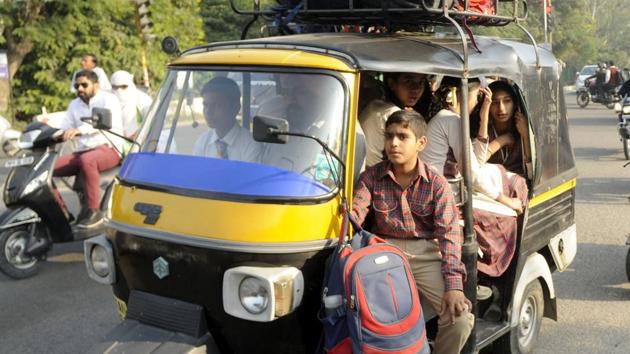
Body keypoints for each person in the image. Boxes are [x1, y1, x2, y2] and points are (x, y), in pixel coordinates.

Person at [352, 110, 474, 354]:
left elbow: (449, 236)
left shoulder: (436, 184)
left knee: (460, 320)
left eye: (402, 136)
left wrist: (454, 286)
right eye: (389, 137)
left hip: (426, 254)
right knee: (360, 314)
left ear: (421, 143)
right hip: (383, 254)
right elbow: (355, 214)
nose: (393, 143)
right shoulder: (371, 177)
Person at [422, 77, 523, 213]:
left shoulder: (448, 117)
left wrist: (484, 118)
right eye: (476, 97)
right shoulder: (452, 120)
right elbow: (473, 174)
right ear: (461, 96)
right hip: (440, 198)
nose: (476, 102)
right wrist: (507, 201)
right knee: (505, 215)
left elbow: (477, 162)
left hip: (442, 190)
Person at [55, 69, 124, 228]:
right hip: (81, 152)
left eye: (84, 85)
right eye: (77, 85)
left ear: (96, 85)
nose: (79, 89)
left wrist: (80, 130)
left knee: (88, 160)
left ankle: (95, 211)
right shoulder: (74, 104)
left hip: (108, 148)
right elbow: (65, 126)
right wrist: (52, 132)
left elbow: (101, 123)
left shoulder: (108, 99)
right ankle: (62, 214)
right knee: (47, 168)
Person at [359, 72, 432, 167]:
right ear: (392, 84)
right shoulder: (393, 115)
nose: (415, 88)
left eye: (421, 82)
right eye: (408, 81)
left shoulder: (375, 105)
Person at [192, 77, 261, 162]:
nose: (208, 112)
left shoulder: (250, 145)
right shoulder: (202, 142)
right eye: (205, 105)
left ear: (235, 108)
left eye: (217, 105)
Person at [485, 80, 532, 178]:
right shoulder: (483, 130)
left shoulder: (522, 128)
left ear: (514, 104)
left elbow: (531, 173)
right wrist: (501, 140)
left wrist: (526, 135)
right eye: (495, 102)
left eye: (507, 101)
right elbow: (475, 164)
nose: (501, 108)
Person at [110, 70, 152, 138]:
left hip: (139, 142)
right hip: (113, 141)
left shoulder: (143, 99)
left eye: (123, 86)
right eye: (115, 87)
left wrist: (139, 134)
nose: (119, 90)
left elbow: (152, 121)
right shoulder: (107, 98)